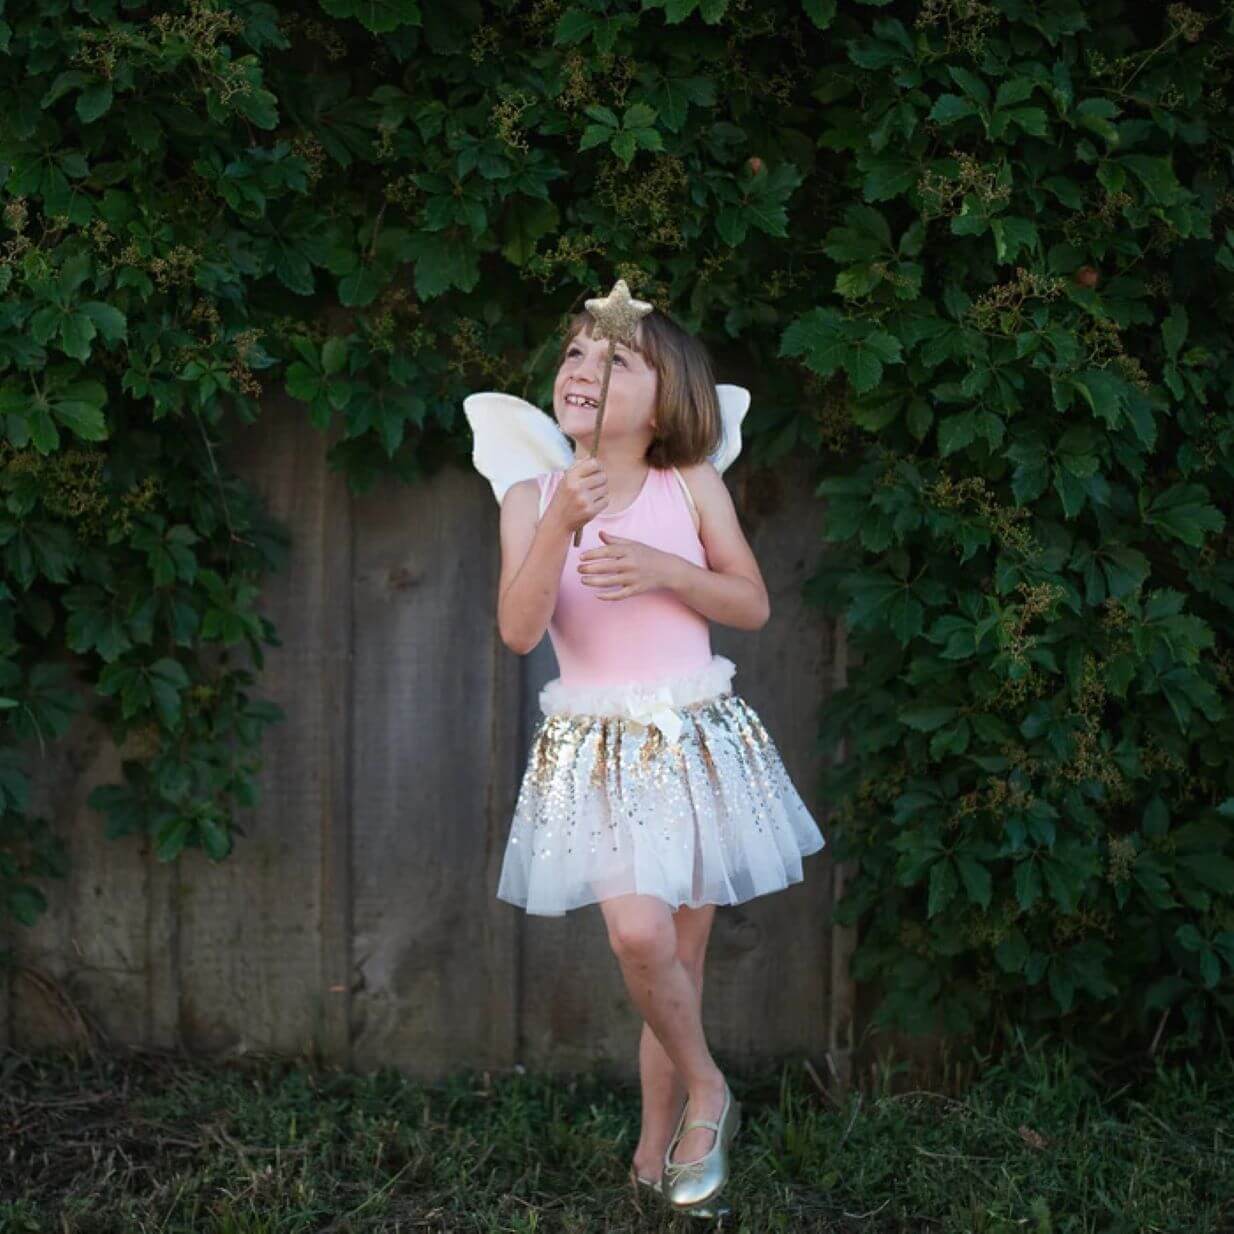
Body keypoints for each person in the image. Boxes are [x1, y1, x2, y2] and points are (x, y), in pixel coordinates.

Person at [487, 303, 826, 1217]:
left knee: (678, 959)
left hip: (695, 740)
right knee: (638, 937)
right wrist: (562, 519)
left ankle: (653, 1157)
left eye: (618, 361)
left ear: (666, 400)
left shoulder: (689, 488)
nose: (584, 369)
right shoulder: (530, 497)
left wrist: (667, 571)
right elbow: (520, 633)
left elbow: (750, 604)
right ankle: (711, 1090)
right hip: (596, 751)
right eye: (573, 352)